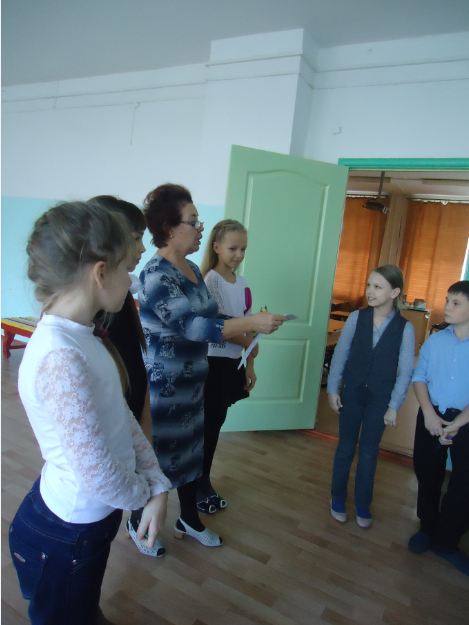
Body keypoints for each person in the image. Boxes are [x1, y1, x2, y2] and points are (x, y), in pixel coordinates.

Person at [9, 202, 171, 625]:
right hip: (65, 533)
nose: (131, 281)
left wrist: (156, 481)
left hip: (89, 522)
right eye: (125, 268)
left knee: (79, 606)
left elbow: (121, 417)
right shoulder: (60, 358)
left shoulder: (85, 338)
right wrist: (148, 495)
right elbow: (98, 473)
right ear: (100, 273)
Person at [139, 183, 285, 548]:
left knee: (192, 453)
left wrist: (249, 330)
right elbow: (192, 327)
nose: (200, 227)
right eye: (193, 221)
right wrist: (248, 324)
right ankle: (138, 524)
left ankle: (188, 519)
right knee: (161, 458)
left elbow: (211, 316)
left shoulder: (190, 268)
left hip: (195, 380)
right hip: (167, 385)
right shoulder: (156, 274)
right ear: (169, 228)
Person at [89, 195, 166, 558]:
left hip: (128, 424)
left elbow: (134, 368)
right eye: (136, 237)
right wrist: (146, 491)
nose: (142, 247)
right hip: (97, 484)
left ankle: (135, 521)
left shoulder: (118, 302)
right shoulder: (90, 321)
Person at [327, 265, 415, 528]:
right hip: (352, 392)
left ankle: (363, 503)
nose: (370, 291)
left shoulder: (405, 328)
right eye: (368, 285)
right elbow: (341, 354)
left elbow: (405, 371)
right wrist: (333, 388)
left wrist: (394, 405)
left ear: (394, 293)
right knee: (345, 447)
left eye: (377, 287)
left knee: (368, 452)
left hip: (381, 399)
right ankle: (337, 498)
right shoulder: (357, 318)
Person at [408, 280, 469, 576]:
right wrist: (430, 416)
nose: (447, 306)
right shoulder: (436, 340)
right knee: (427, 472)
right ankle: (427, 527)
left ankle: (447, 541)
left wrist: (458, 423)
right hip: (431, 416)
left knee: (464, 484)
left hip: (465, 421)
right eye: (447, 300)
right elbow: (419, 377)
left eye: (456, 302)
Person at [196, 219, 257, 514]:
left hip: (232, 363)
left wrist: (250, 363)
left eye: (243, 249)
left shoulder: (243, 285)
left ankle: (202, 481)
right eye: (233, 248)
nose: (239, 254)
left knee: (216, 424)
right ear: (217, 246)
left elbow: (248, 326)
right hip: (212, 364)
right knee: (207, 427)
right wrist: (249, 339)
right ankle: (199, 486)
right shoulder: (210, 281)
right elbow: (220, 326)